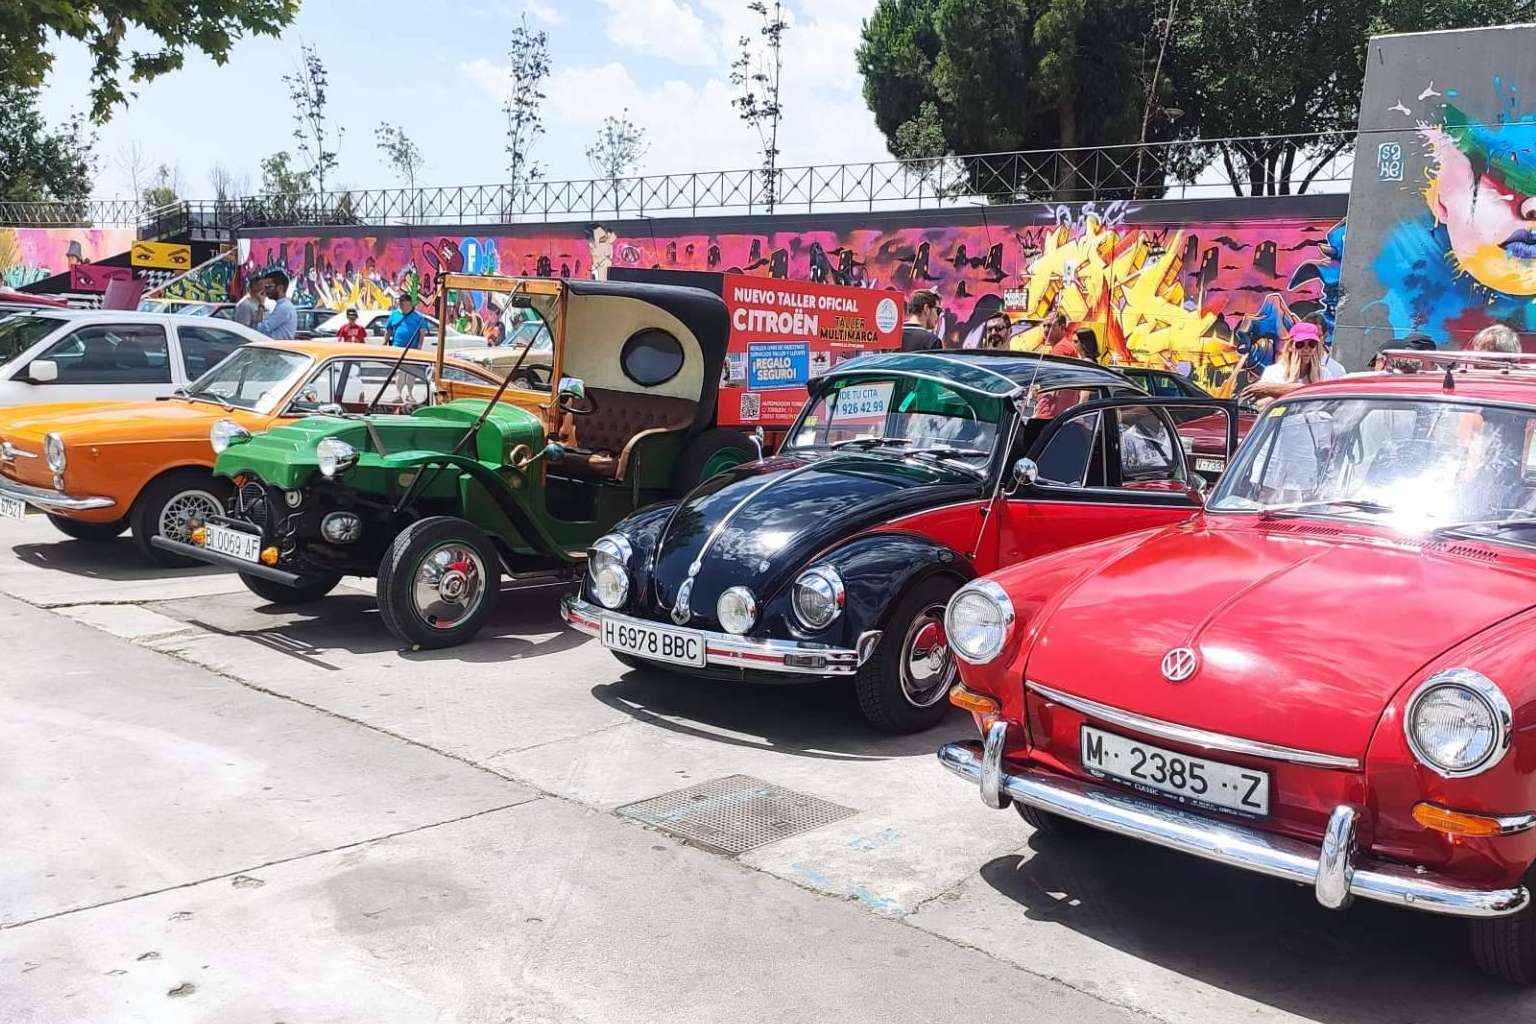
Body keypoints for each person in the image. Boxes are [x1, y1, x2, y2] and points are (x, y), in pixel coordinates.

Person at [1241, 322, 1341, 406]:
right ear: (1290, 346)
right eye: (1300, 344)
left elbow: (1329, 404)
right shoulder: (1274, 372)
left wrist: (1274, 390)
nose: (1306, 349)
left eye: (1311, 344)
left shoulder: (1324, 373)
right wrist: (1291, 383)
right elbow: (1261, 405)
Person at [254, 269, 297, 341]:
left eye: (268, 287)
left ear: (280, 288)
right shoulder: (282, 305)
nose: (265, 291)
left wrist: (261, 305)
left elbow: (260, 330)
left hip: (278, 350)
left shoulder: (284, 308)